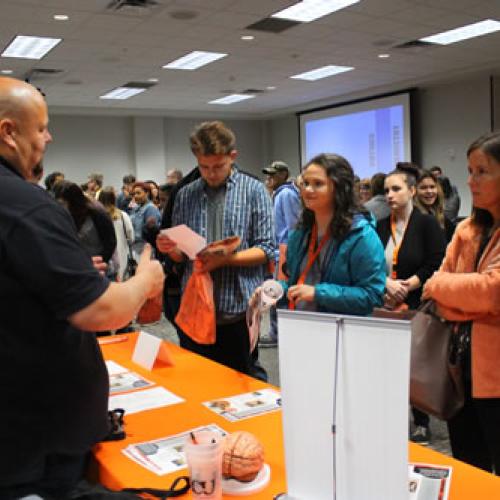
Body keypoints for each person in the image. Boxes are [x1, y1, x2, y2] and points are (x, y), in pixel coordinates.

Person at [0, 76, 164, 498]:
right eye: (41, 128)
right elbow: (103, 311)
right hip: (34, 439)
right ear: (8, 132)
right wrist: (145, 281)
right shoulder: (25, 204)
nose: (48, 137)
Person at [157, 121, 274, 377]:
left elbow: (267, 249)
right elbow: (180, 256)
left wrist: (226, 259)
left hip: (237, 308)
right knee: (199, 380)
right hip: (195, 308)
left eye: (218, 166)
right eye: (204, 167)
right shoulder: (186, 194)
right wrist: (169, 248)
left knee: (240, 381)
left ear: (233, 156)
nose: (210, 173)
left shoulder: (254, 191)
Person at [423, 131, 500, 474]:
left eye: (482, 171)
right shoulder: (466, 229)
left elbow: (491, 292)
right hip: (458, 368)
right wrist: (469, 300)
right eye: (469, 171)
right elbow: (431, 288)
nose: (471, 181)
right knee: (469, 466)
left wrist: (450, 291)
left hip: (496, 375)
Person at [254, 153, 385, 315]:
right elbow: (299, 285)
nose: (308, 190)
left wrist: (318, 293)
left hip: (343, 333)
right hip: (302, 328)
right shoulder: (300, 234)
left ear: (339, 188)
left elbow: (372, 296)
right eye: (305, 183)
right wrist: (278, 289)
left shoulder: (361, 235)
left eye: (318, 184)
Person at [376, 166, 446, 444]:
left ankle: (421, 421)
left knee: (415, 364)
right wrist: (385, 284)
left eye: (396, 189)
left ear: (412, 191)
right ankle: (390, 416)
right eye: (386, 191)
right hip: (384, 304)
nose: (390, 195)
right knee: (386, 364)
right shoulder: (380, 225)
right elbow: (370, 261)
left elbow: (437, 261)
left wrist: (408, 285)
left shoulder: (427, 223)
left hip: (416, 303)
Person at [260, 160, 301, 347]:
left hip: (285, 251)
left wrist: (288, 257)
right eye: (268, 174)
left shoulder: (285, 195)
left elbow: (293, 227)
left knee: (279, 294)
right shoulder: (279, 194)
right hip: (279, 251)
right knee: (276, 293)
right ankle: (277, 332)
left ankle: (278, 333)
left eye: (273, 174)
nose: (269, 178)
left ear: (284, 175)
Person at [53, 181, 117, 264]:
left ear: (73, 201)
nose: (59, 207)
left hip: (99, 266)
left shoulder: (96, 213)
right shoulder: (64, 216)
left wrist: (98, 263)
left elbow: (110, 243)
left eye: (62, 203)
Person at [100, 186, 135, 281]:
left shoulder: (97, 216)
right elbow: (131, 237)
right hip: (122, 255)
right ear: (114, 199)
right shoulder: (123, 216)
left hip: (103, 259)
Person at [414, 169, 455, 242]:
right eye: (423, 188)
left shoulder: (440, 217)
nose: (429, 191)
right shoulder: (414, 217)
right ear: (414, 191)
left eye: (432, 187)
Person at [130, 181, 161, 257]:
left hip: (146, 248)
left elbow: (153, 234)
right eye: (134, 194)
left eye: (138, 193)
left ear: (147, 193)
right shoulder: (136, 208)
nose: (135, 196)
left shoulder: (151, 208)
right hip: (135, 248)